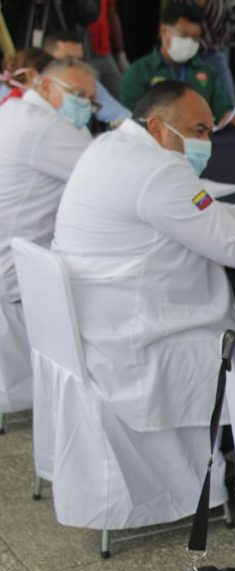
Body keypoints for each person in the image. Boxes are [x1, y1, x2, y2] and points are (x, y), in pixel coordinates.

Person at [53, 81, 235, 436]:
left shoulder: (113, 145)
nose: (206, 142)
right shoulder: (159, 169)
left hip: (103, 320)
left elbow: (195, 210)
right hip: (145, 338)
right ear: (158, 127)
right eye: (198, 131)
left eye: (210, 131)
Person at [0, 58, 96, 409]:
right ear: (44, 87)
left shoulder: (15, 112)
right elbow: (103, 172)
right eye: (77, 94)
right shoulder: (45, 129)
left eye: (89, 98)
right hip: (17, 271)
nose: (84, 104)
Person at [120, 3, 235, 129]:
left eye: (195, 38)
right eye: (183, 36)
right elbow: (132, 121)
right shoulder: (138, 73)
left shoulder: (206, 70)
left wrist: (229, 118)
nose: (189, 43)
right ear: (163, 30)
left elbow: (223, 111)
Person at [42, 31, 130, 125]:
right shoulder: (31, 85)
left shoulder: (88, 84)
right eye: (68, 59)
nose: (75, 65)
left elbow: (120, 116)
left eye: (79, 60)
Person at [172, 0, 235, 109]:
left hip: (216, 51)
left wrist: (213, 46)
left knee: (226, 100)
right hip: (183, 51)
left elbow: (226, 28)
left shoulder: (221, 3)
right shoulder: (179, 2)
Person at [85, 0, 128, 99]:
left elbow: (111, 14)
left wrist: (121, 52)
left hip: (103, 50)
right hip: (77, 52)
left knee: (120, 94)